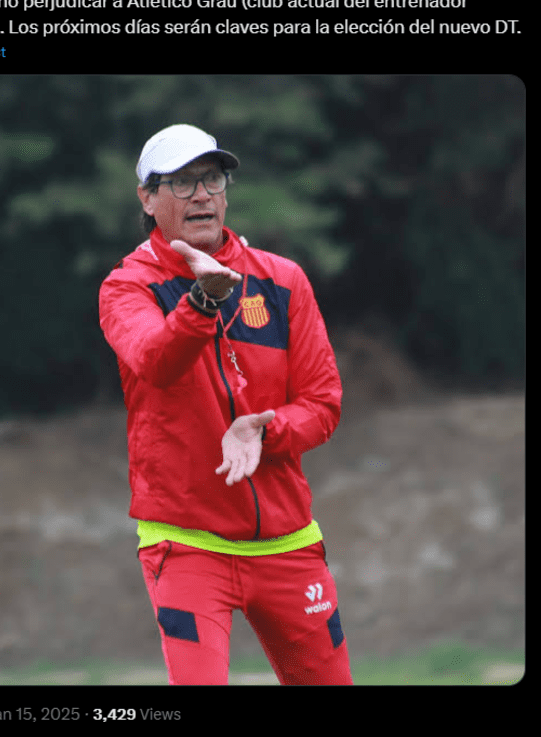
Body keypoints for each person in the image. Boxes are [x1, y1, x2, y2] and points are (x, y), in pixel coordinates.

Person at [99, 124, 353, 685]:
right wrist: (201, 302)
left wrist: (265, 431)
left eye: (211, 178)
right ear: (147, 197)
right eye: (182, 182)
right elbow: (155, 361)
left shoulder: (282, 280)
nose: (201, 195)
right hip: (186, 545)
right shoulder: (126, 287)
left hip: (288, 541)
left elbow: (323, 403)